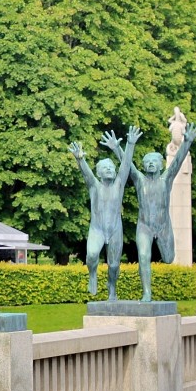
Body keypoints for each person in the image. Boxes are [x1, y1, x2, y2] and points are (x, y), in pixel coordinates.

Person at [102, 122, 196, 301]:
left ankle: (150, 287)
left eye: (154, 161)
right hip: (144, 226)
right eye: (147, 162)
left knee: (169, 258)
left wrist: (187, 142)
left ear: (161, 166)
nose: (151, 164)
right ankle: (147, 293)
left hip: (163, 226)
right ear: (144, 167)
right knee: (143, 256)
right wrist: (117, 148)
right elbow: (128, 165)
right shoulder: (139, 180)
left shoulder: (166, 179)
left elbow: (177, 162)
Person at [69, 126, 140, 300]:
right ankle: (92, 273)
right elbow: (86, 174)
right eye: (105, 167)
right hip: (97, 229)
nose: (109, 169)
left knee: (114, 266)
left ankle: (112, 291)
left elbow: (125, 165)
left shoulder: (119, 185)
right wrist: (80, 159)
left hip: (115, 230)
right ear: (99, 173)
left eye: (111, 167)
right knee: (92, 255)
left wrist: (130, 144)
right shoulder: (95, 186)